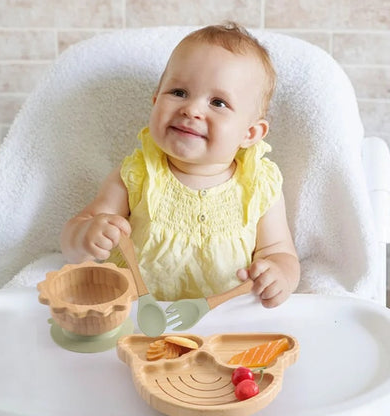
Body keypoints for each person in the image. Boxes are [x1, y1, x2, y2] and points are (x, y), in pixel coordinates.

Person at [61, 22, 300, 308]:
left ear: (250, 133)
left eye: (218, 102)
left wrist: (278, 276)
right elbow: (72, 242)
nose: (192, 109)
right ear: (155, 102)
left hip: (225, 319)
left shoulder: (259, 186)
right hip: (138, 316)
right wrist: (86, 236)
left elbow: (280, 253)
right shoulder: (136, 176)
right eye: (178, 93)